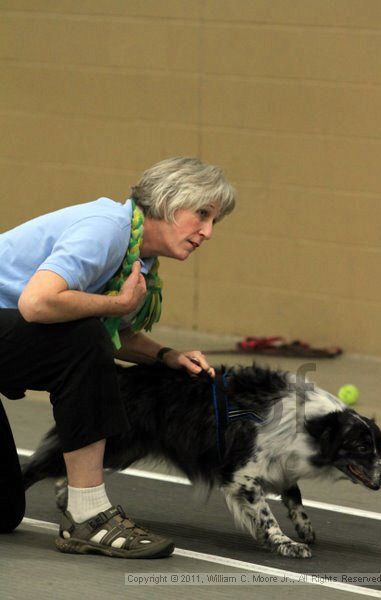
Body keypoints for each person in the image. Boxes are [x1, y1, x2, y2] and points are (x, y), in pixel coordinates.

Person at [0, 156, 236, 558]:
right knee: (84, 336)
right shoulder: (106, 229)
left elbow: (113, 334)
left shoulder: (137, 255)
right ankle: (88, 514)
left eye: (215, 221)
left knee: (3, 513)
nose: (208, 232)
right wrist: (117, 304)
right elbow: (37, 304)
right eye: (202, 214)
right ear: (167, 200)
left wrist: (166, 356)